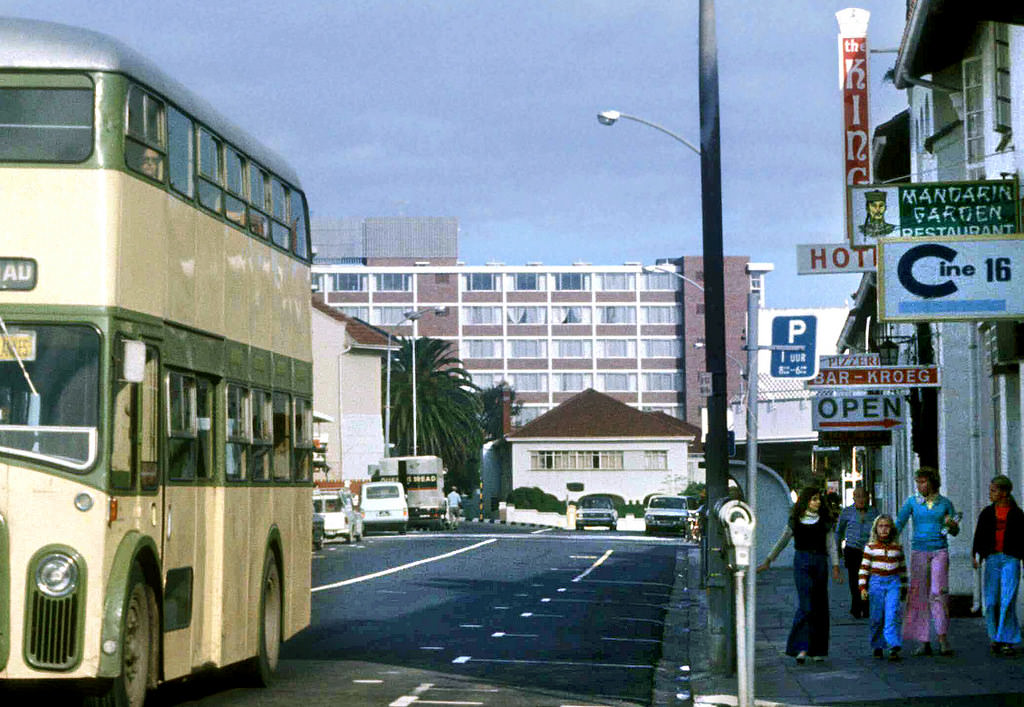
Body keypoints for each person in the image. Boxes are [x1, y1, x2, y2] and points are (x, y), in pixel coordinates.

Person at [758, 486, 842, 664]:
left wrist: (835, 566)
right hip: (802, 562)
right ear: (806, 501)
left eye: (819, 499)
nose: (817, 502)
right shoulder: (795, 520)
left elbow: (831, 545)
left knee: (820, 605)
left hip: (820, 562)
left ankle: (817, 650)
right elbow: (782, 540)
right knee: (806, 604)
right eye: (814, 499)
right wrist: (768, 560)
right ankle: (801, 648)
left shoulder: (825, 521)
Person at [895, 466, 960, 656]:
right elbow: (899, 523)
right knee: (919, 594)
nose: (919, 485)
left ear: (932, 482)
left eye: (923, 481)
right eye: (918, 482)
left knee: (938, 592)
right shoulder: (912, 502)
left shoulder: (945, 503)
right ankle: (923, 640)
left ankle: (942, 637)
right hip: (919, 551)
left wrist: (951, 525)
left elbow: (955, 531)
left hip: (939, 550)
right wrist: (886, 541)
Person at [972, 475, 1024, 656]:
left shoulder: (1017, 514)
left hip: (1011, 558)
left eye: (993, 490)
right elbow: (979, 535)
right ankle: (994, 636)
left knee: (1007, 599)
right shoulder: (987, 513)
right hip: (992, 558)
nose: (990, 493)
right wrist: (976, 555)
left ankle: (1006, 639)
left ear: (1004, 492)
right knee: (991, 600)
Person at [859, 514, 908, 661]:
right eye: (881, 526)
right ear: (876, 529)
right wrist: (862, 587)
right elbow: (864, 569)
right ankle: (877, 645)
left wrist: (904, 587)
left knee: (892, 614)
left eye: (887, 526)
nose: (884, 529)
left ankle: (893, 645)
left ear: (891, 529)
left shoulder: (897, 547)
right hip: (876, 583)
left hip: (893, 583)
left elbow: (902, 569)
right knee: (877, 616)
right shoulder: (870, 547)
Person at [836, 486, 879, 618]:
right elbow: (839, 531)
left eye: (863, 496)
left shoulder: (874, 512)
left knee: (868, 579)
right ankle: (856, 607)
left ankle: (866, 607)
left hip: (868, 550)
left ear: (868, 498)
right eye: (858, 496)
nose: (861, 499)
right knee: (854, 579)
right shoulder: (847, 512)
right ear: (853, 498)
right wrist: (838, 550)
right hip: (852, 550)